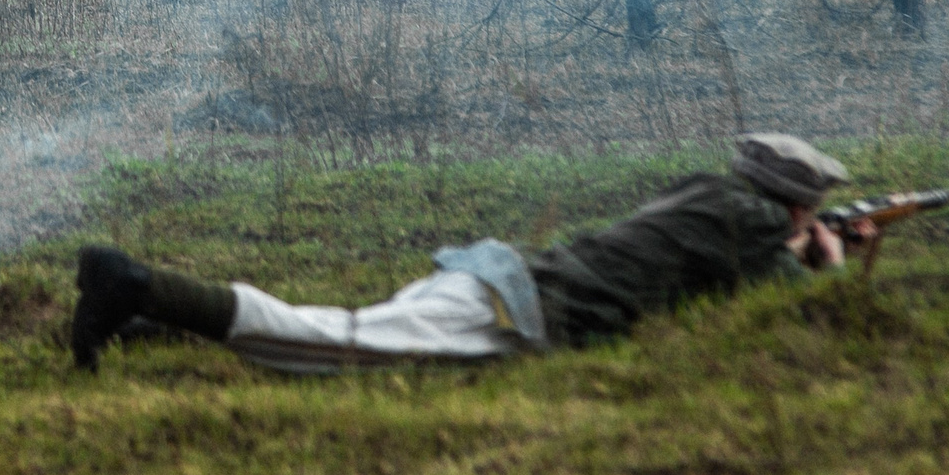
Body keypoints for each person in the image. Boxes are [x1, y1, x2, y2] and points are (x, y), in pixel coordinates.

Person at [68, 134, 879, 374]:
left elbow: (727, 284)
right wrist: (837, 261)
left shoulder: (710, 194)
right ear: (794, 204)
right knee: (330, 345)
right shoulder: (755, 222)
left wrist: (807, 245)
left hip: (497, 279)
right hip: (514, 310)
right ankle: (137, 284)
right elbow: (807, 311)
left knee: (337, 328)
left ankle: (148, 321)